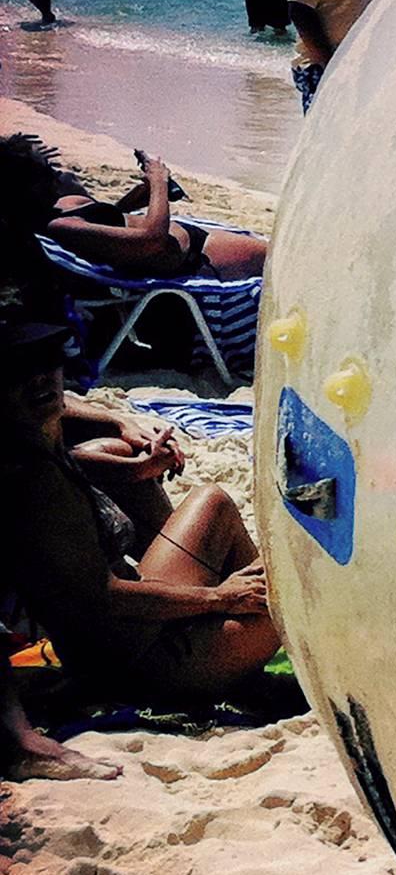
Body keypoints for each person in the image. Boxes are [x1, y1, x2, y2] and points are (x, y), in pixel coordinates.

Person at [0, 316, 279, 706]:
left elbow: (66, 412)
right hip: (140, 664)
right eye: (18, 372)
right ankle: (238, 639)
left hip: (133, 634)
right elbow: (105, 597)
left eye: (47, 362)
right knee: (284, 607)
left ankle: (242, 630)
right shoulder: (32, 483)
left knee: (211, 502)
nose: (41, 379)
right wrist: (219, 598)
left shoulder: (32, 436)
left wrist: (124, 427)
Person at [0, 132, 267, 280]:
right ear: (25, 187)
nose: (56, 174)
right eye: (46, 171)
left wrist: (144, 193)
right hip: (195, 256)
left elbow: (111, 219)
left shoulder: (59, 210)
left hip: (190, 242)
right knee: (282, 263)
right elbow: (151, 240)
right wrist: (159, 182)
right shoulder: (61, 226)